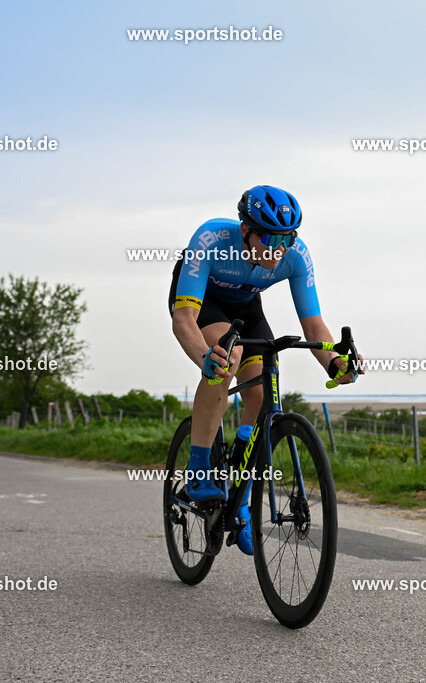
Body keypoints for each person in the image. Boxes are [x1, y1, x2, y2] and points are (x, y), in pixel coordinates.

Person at [168, 185, 361, 555]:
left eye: (287, 238)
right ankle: (197, 470)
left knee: (260, 392)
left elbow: (314, 327)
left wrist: (335, 361)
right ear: (245, 231)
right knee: (229, 356)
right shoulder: (211, 239)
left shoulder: (295, 255)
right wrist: (204, 357)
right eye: (270, 237)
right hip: (201, 300)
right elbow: (184, 319)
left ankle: (239, 499)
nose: (278, 247)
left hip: (246, 306)